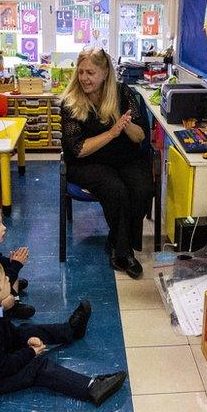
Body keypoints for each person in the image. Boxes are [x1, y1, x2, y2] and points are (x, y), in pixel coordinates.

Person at [0, 259, 125, 405]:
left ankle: (71, 331)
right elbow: (0, 369)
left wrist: (25, 342)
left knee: (26, 330)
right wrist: (29, 353)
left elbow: (6, 333)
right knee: (38, 368)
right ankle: (92, 388)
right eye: (4, 280)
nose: (8, 278)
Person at [60, 47, 154, 279]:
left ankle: (114, 239)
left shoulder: (123, 93)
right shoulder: (71, 102)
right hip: (87, 162)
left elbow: (140, 137)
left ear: (104, 73)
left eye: (90, 73)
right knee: (116, 190)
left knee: (142, 189)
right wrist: (112, 132)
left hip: (125, 157)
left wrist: (126, 125)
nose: (84, 78)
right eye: (81, 72)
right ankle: (123, 252)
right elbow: (78, 149)